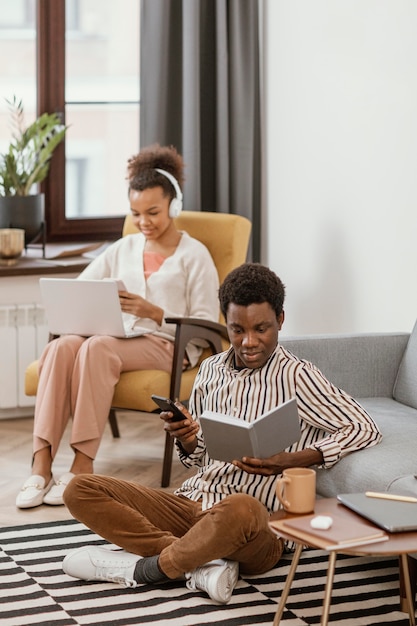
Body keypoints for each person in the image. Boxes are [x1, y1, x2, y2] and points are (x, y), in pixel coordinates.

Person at [61, 263, 382, 604]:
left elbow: (363, 427)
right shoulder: (211, 370)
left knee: (241, 508)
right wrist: (186, 437)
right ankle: (195, 563)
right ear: (225, 322)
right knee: (80, 489)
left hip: (257, 526)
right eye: (237, 329)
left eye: (261, 329)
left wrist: (293, 460)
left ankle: (145, 570)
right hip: (192, 505)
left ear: (281, 321)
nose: (249, 342)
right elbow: (199, 455)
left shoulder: (297, 375)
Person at [16, 144, 219, 509]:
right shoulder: (122, 249)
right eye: (136, 213)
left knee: (97, 347)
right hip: (117, 337)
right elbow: (79, 289)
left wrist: (155, 312)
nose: (144, 222)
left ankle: (83, 466)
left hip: (166, 345)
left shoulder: (195, 255)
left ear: (174, 206)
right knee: (63, 346)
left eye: (153, 212)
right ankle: (41, 465)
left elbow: (206, 320)